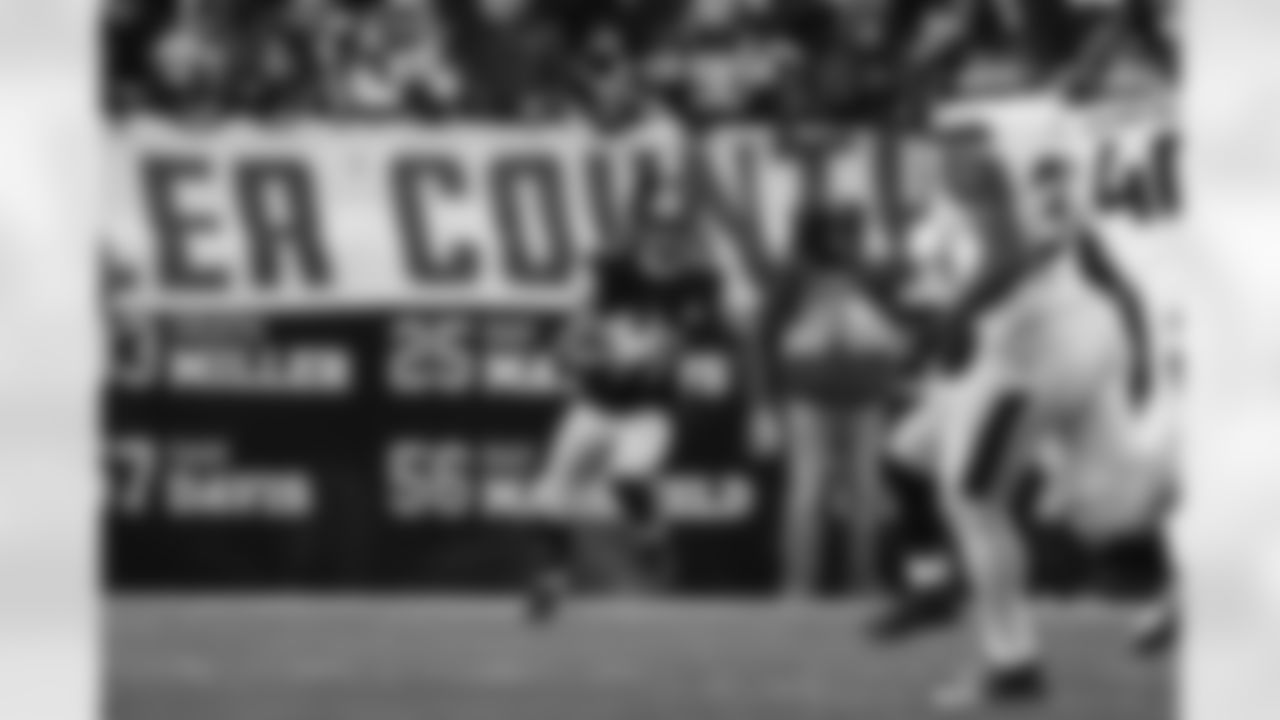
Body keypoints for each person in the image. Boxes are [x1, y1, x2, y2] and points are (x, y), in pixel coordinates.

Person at [524, 180, 725, 624]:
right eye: (659, 227)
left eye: (676, 229)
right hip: (597, 402)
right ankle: (552, 579)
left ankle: (652, 536)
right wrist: (572, 347)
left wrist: (655, 353)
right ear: (643, 228)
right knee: (547, 494)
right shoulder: (614, 271)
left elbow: (692, 345)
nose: (667, 237)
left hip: (648, 410)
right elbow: (578, 320)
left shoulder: (699, 283)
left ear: (688, 232)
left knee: (629, 476)